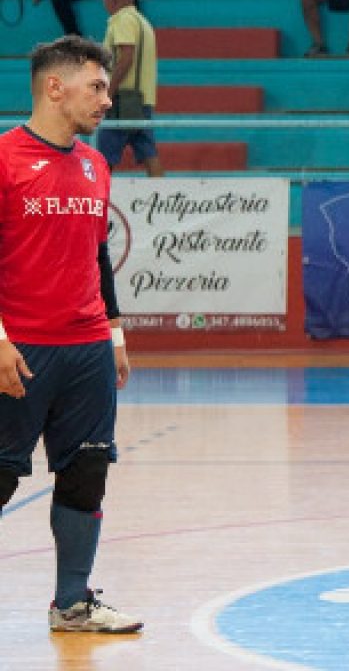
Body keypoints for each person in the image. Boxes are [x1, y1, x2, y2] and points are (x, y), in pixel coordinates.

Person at [0, 35, 139, 634]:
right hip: (20, 349)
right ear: (54, 87)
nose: (107, 99)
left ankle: (72, 603)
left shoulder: (95, 163)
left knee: (86, 472)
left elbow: (98, 255)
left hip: (86, 350)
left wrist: (114, 334)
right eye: (97, 87)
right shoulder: (4, 159)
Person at [95, 0, 161, 177]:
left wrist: (108, 92)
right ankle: (164, 197)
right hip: (143, 99)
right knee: (148, 152)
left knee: (104, 156)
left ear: (113, 0)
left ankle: (98, 202)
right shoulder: (143, 22)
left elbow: (126, 58)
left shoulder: (123, 20)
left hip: (123, 99)